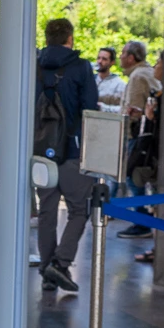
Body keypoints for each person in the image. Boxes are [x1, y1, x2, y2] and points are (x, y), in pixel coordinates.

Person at [34, 18, 99, 293]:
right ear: (69, 38)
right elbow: (91, 108)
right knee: (78, 210)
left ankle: (48, 274)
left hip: (41, 153)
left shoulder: (33, 65)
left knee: (47, 213)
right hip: (73, 151)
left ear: (47, 38)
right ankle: (60, 265)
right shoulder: (81, 67)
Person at [114, 42, 157, 239]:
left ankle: (141, 222)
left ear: (131, 57)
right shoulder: (147, 73)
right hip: (148, 136)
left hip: (137, 137)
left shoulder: (137, 76)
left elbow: (130, 111)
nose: (120, 56)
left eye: (123, 53)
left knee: (133, 178)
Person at [94, 47, 125, 113]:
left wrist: (103, 108)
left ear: (112, 62)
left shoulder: (119, 84)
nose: (100, 61)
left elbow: (123, 109)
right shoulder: (89, 80)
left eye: (104, 59)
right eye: (98, 58)